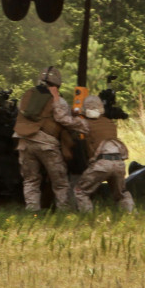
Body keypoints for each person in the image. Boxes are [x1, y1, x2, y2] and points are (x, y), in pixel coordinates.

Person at [13, 66, 88, 212]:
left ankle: (32, 211)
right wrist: (83, 125)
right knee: (59, 182)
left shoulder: (27, 95)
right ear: (57, 84)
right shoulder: (57, 99)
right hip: (46, 143)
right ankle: (64, 211)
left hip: (24, 141)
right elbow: (62, 119)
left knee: (30, 180)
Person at [72, 94, 135, 213]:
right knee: (121, 193)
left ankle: (87, 216)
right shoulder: (110, 123)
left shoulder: (84, 123)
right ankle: (130, 214)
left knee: (81, 191)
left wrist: (74, 114)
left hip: (101, 164)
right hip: (119, 163)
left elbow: (70, 125)